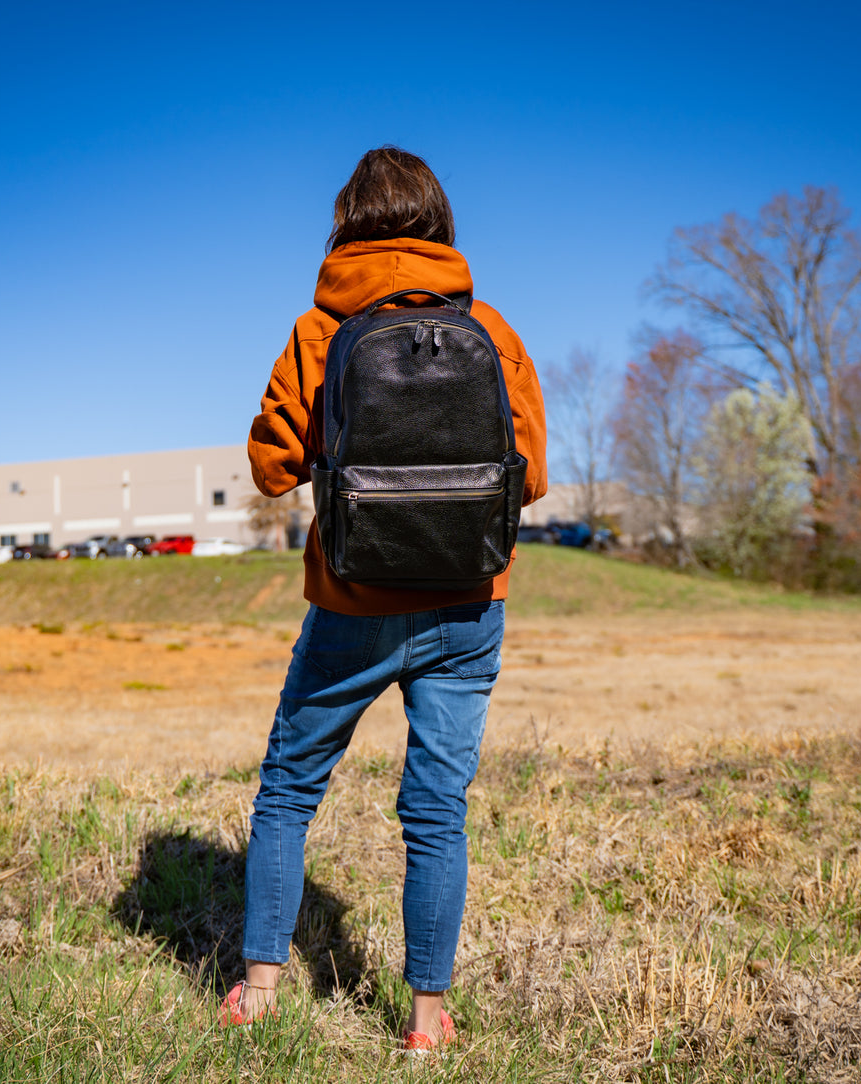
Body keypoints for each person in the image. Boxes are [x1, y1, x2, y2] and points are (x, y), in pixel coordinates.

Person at [230, 146, 547, 1051]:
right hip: (463, 606)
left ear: (345, 226)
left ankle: (256, 992)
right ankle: (425, 1018)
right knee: (435, 810)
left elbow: (268, 469)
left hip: (351, 602)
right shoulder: (491, 328)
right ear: (439, 222)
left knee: (290, 790)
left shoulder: (317, 330)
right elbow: (529, 482)